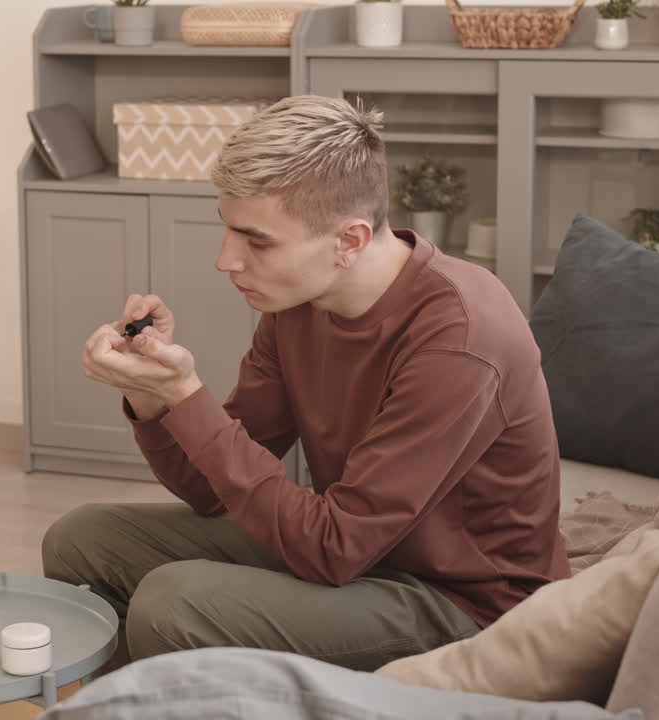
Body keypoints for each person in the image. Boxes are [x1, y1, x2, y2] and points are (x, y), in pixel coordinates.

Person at [42, 95, 569, 674]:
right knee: (81, 539)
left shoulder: (461, 337)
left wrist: (186, 397)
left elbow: (333, 547)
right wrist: (151, 393)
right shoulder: (298, 304)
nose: (225, 260)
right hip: (361, 554)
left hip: (466, 602)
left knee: (173, 603)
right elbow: (209, 489)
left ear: (349, 240)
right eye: (228, 230)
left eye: (256, 240)